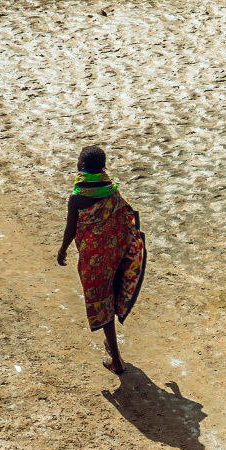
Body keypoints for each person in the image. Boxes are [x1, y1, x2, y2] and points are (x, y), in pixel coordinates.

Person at [56, 146, 147, 375]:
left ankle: (116, 361)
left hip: (95, 260)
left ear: (81, 166)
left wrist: (62, 250)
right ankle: (112, 343)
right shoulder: (112, 191)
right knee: (111, 294)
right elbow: (126, 218)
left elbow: (70, 230)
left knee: (101, 302)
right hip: (117, 251)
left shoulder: (77, 198)